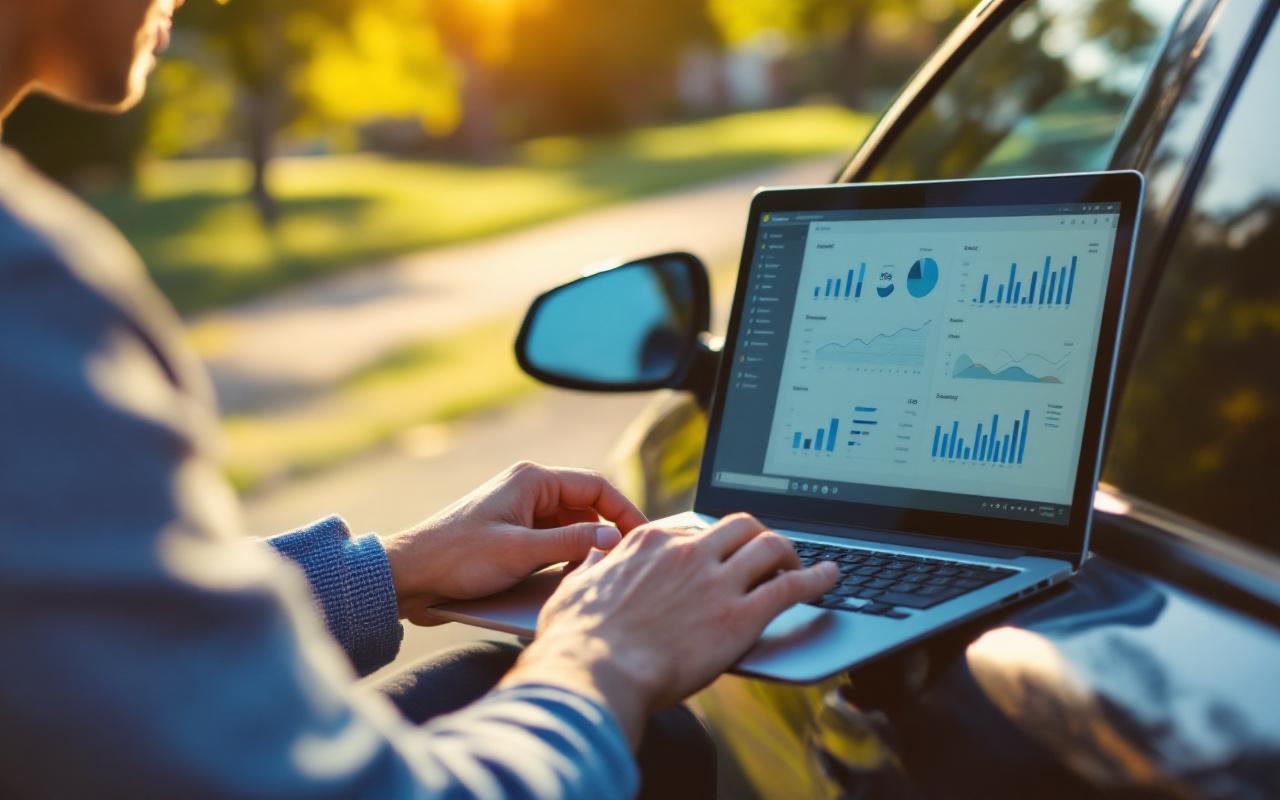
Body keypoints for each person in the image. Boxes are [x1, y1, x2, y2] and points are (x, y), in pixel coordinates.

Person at [0, 1, 839, 797]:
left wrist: (388, 568)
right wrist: (599, 655)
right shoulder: (28, 297)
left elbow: (60, 640)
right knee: (645, 741)